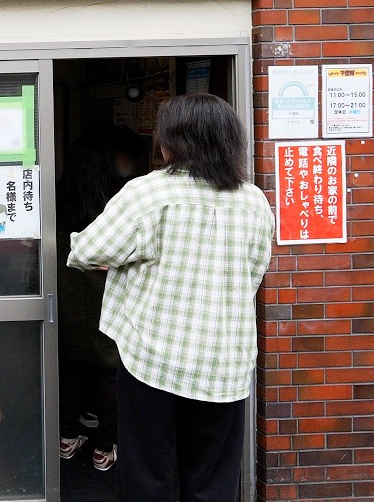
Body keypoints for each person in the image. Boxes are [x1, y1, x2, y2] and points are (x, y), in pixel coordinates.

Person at [68, 94, 274, 502]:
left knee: (149, 478)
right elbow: (253, 276)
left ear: (171, 144)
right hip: (225, 369)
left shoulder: (148, 192)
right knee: (213, 482)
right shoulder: (255, 201)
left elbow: (86, 251)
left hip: (153, 362)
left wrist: (123, 260)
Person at [56, 134, 124, 472]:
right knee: (108, 373)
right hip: (104, 297)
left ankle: (67, 437)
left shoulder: (57, 196)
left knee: (72, 367)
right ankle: (104, 448)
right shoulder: (116, 201)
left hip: (67, 295)